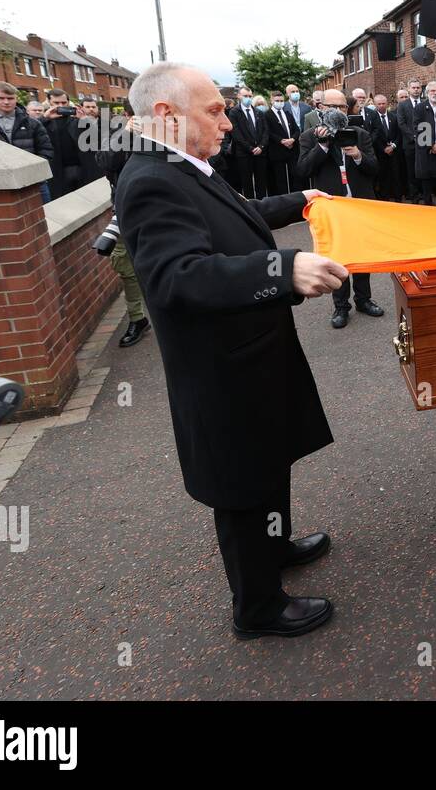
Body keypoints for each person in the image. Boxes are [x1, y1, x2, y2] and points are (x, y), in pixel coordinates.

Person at [115, 61, 346, 640]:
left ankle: (277, 547)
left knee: (269, 461)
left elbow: (233, 220)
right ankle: (258, 606)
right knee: (243, 483)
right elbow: (179, 276)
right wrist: (284, 267)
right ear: (166, 115)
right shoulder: (149, 181)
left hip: (252, 353)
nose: (229, 121)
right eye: (215, 110)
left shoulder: (184, 167)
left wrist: (300, 200)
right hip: (222, 370)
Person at [297, 91, 384, 327]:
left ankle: (364, 300)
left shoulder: (360, 134)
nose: (338, 111)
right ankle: (341, 306)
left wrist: (357, 155)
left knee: (361, 253)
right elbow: (303, 170)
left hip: (359, 204)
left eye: (343, 107)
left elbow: (374, 168)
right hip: (331, 207)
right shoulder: (309, 137)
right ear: (320, 107)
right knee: (338, 256)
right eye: (332, 107)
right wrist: (322, 147)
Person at [94, 103, 151, 348]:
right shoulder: (116, 134)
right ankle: (137, 318)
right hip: (125, 213)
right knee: (126, 267)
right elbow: (105, 161)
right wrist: (127, 133)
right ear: (128, 115)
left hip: (158, 211)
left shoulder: (166, 133)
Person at [0, 82, 53, 202]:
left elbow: (46, 150)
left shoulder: (32, 123)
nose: (6, 102)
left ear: (16, 98)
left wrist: (33, 171)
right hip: (0, 184)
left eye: (10, 98)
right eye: (1, 98)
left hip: (34, 182)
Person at [42, 88, 90, 197]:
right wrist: (44, 118)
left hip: (80, 168)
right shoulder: (44, 123)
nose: (61, 105)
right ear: (49, 103)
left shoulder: (77, 120)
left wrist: (85, 120)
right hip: (57, 171)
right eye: (56, 103)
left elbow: (96, 139)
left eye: (64, 102)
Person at [227, 86, 270, 198]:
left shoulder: (258, 112)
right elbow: (236, 134)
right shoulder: (234, 112)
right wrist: (250, 148)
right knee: (247, 184)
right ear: (239, 96)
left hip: (260, 153)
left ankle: (263, 207)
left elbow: (265, 131)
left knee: (261, 182)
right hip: (244, 154)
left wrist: (261, 146)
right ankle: (250, 208)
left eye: (250, 96)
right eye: (245, 96)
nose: (248, 98)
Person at [264, 90, 301, 196]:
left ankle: (295, 199)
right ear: (271, 100)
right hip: (277, 152)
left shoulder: (287, 113)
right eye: (277, 100)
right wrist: (281, 141)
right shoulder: (267, 115)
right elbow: (268, 132)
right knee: (280, 180)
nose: (279, 102)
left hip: (292, 150)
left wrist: (293, 139)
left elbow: (297, 130)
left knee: (294, 177)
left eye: (281, 100)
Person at [396, 79, 425, 202]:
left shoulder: (426, 103)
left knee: (423, 169)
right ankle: (414, 196)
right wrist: (413, 136)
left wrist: (424, 138)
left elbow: (428, 122)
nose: (416, 90)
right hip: (409, 144)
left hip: (424, 143)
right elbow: (401, 123)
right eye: (413, 88)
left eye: (418, 87)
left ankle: (425, 194)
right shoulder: (403, 105)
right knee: (411, 171)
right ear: (409, 89)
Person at [371, 94, 403, 202]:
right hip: (380, 153)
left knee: (396, 175)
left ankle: (398, 198)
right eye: (378, 104)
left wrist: (393, 146)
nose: (381, 106)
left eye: (383, 103)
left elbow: (399, 134)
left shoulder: (394, 117)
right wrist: (383, 148)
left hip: (394, 152)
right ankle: (385, 198)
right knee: (383, 176)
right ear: (375, 105)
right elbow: (373, 136)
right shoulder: (372, 118)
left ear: (387, 103)